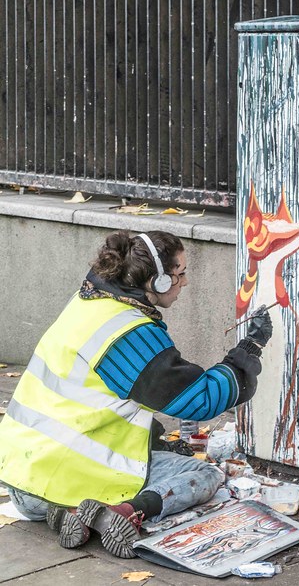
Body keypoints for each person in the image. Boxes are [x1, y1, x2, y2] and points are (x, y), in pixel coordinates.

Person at [0, 229, 271, 559]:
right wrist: (248, 351)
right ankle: (126, 512)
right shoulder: (126, 333)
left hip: (22, 480)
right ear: (156, 281)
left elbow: (101, 400)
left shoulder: (89, 302)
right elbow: (200, 400)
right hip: (65, 472)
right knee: (204, 473)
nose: (184, 282)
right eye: (180, 273)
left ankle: (73, 512)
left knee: (162, 451)